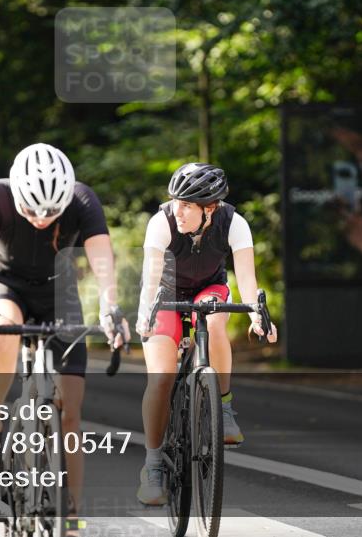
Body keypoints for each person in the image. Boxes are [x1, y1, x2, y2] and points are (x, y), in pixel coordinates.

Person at [0, 143, 130, 533]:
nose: (40, 219)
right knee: (3, 326)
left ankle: (69, 513)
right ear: (16, 196)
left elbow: (103, 264)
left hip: (59, 291)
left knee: (70, 413)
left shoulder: (83, 199)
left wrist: (110, 309)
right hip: (5, 285)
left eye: (51, 212)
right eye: (31, 210)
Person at [134, 163, 278, 505]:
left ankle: (223, 409)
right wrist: (144, 318)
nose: (177, 210)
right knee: (161, 376)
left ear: (209, 208)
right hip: (165, 293)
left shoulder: (234, 223)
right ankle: (153, 465)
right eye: (174, 201)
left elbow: (246, 280)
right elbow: (151, 279)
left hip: (208, 289)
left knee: (214, 321)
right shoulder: (162, 222)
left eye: (186, 205)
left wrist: (258, 316)